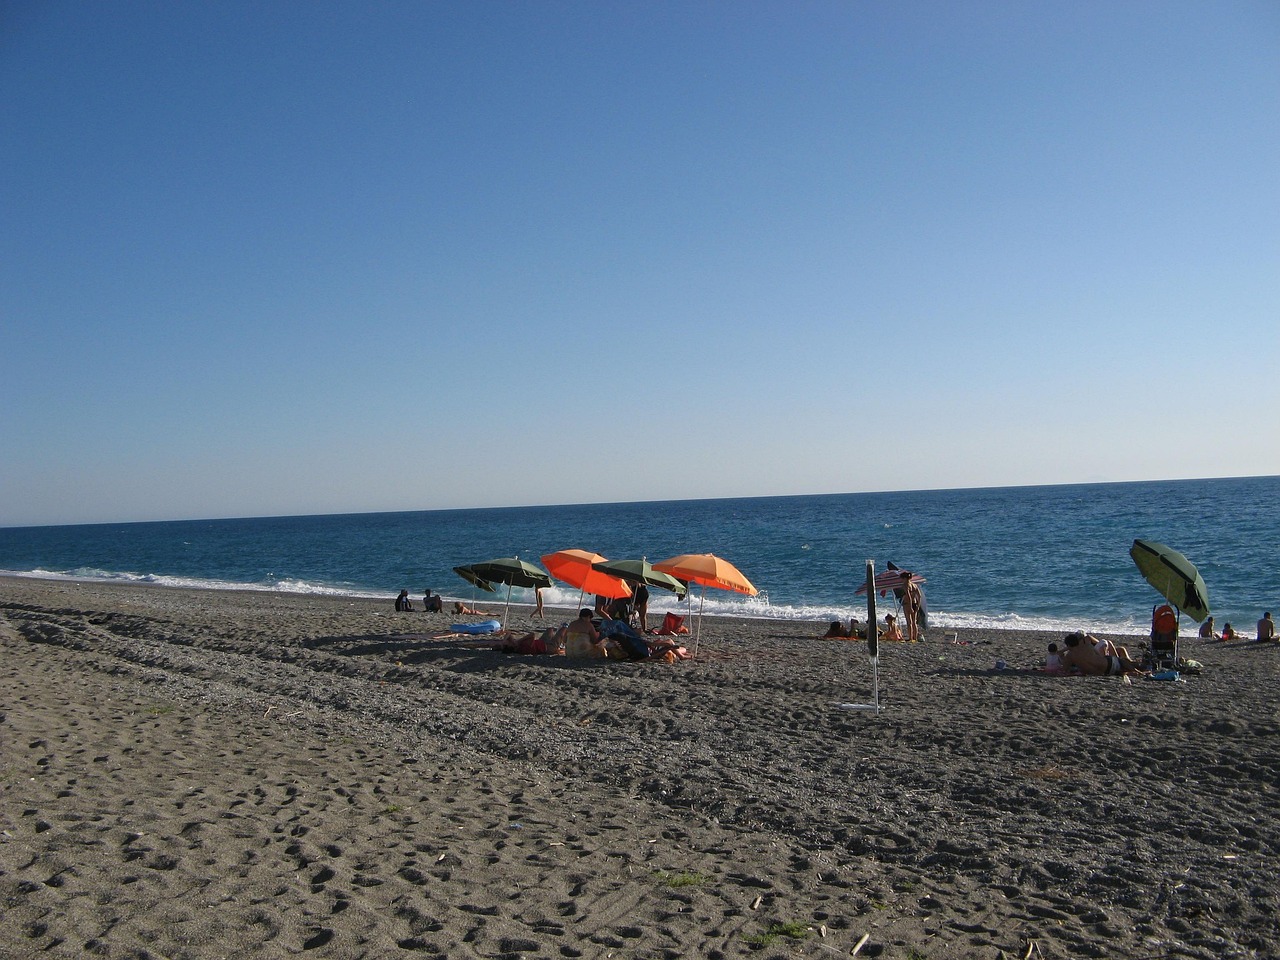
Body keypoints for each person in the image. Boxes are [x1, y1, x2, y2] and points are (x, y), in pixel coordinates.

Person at [1060, 631, 1144, 676]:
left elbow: (1064, 670)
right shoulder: (1087, 646)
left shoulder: (1070, 656)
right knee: (1123, 661)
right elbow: (1088, 639)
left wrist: (1061, 652)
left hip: (1106, 672)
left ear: (1068, 645)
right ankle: (1140, 668)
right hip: (1109, 663)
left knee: (1122, 666)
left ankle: (1138, 669)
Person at [900, 572, 922, 642]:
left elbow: (909, 596)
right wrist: (918, 605)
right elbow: (919, 596)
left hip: (907, 604)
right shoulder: (914, 585)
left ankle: (910, 638)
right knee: (914, 622)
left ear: (905, 578)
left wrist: (910, 607)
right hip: (915, 603)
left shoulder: (905, 585)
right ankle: (914, 638)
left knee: (909, 622)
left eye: (902, 578)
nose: (901, 580)